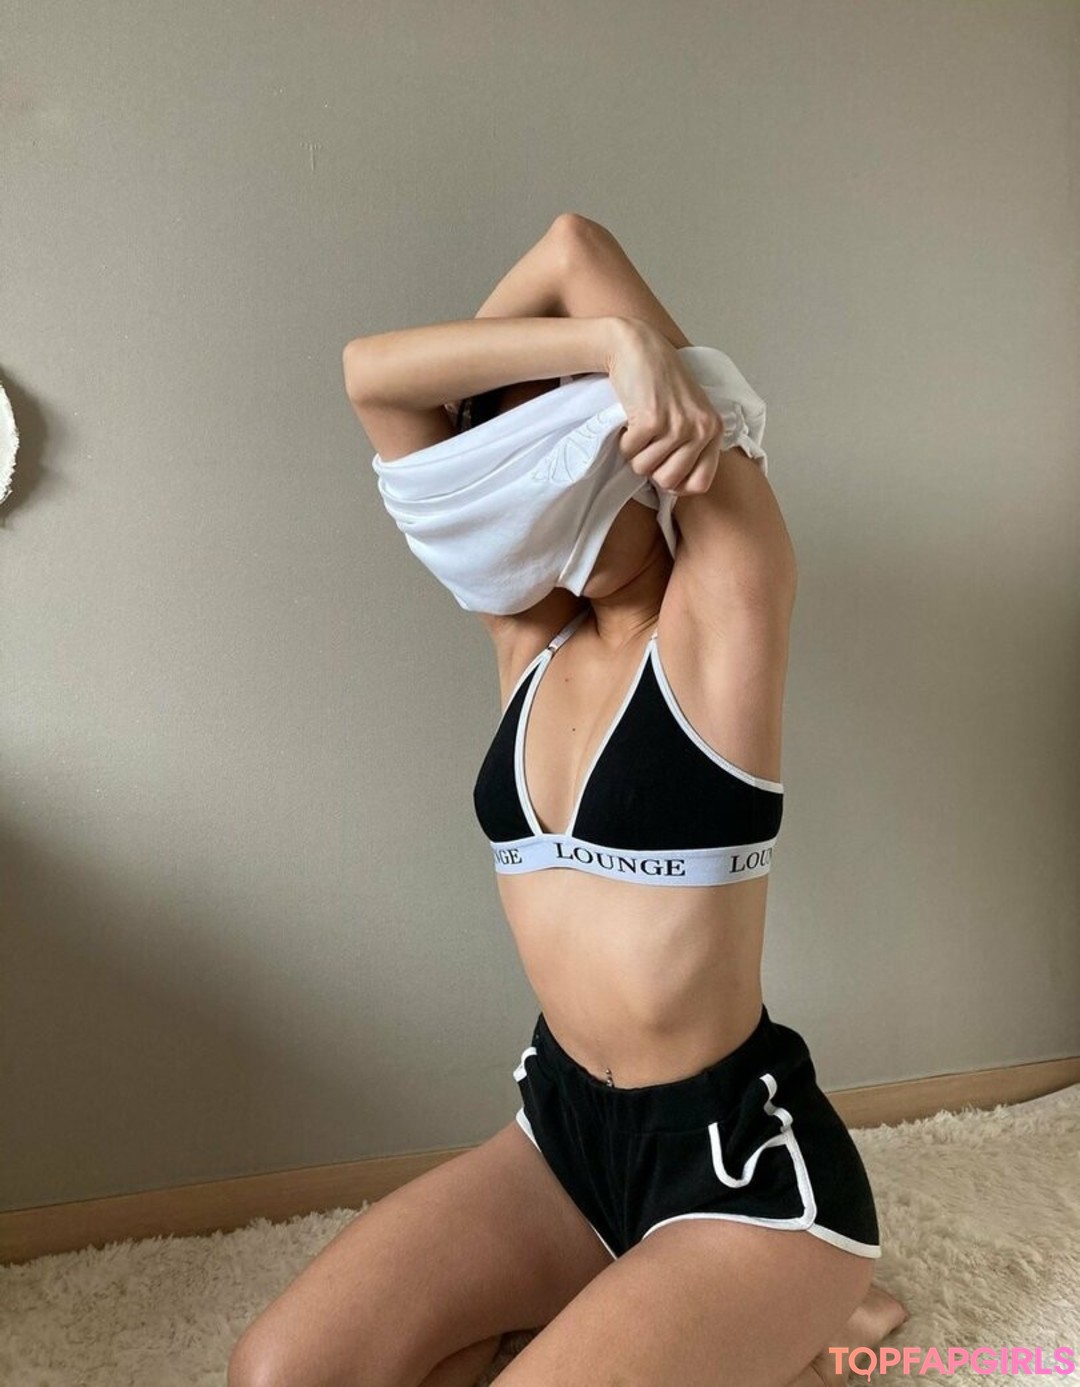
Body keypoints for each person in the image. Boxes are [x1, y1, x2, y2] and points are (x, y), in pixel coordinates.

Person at [228, 214, 908, 1387]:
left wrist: (637, 357)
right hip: (562, 1140)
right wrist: (599, 344)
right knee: (276, 1373)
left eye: (553, 452)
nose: (532, 503)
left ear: (638, 437)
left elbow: (572, 241)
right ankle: (697, 1322)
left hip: (736, 1169)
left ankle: (805, 1299)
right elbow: (370, 377)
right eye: (506, 463)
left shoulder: (726, 606)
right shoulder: (525, 640)